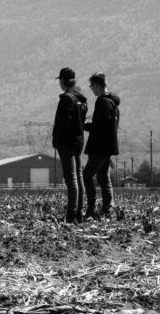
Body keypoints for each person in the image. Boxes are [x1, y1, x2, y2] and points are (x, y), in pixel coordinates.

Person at [52, 67, 88, 224]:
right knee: (79, 176)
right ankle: (79, 212)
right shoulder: (82, 99)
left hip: (66, 142)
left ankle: (71, 214)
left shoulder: (67, 99)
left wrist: (56, 139)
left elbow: (61, 123)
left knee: (71, 177)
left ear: (62, 81)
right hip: (79, 141)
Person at [83, 72, 120, 220]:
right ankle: (107, 209)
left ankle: (91, 209)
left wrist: (85, 126)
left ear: (97, 85)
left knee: (87, 176)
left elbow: (100, 126)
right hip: (108, 147)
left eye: (91, 85)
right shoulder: (113, 103)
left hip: (99, 147)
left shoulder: (102, 102)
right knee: (103, 177)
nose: (91, 89)